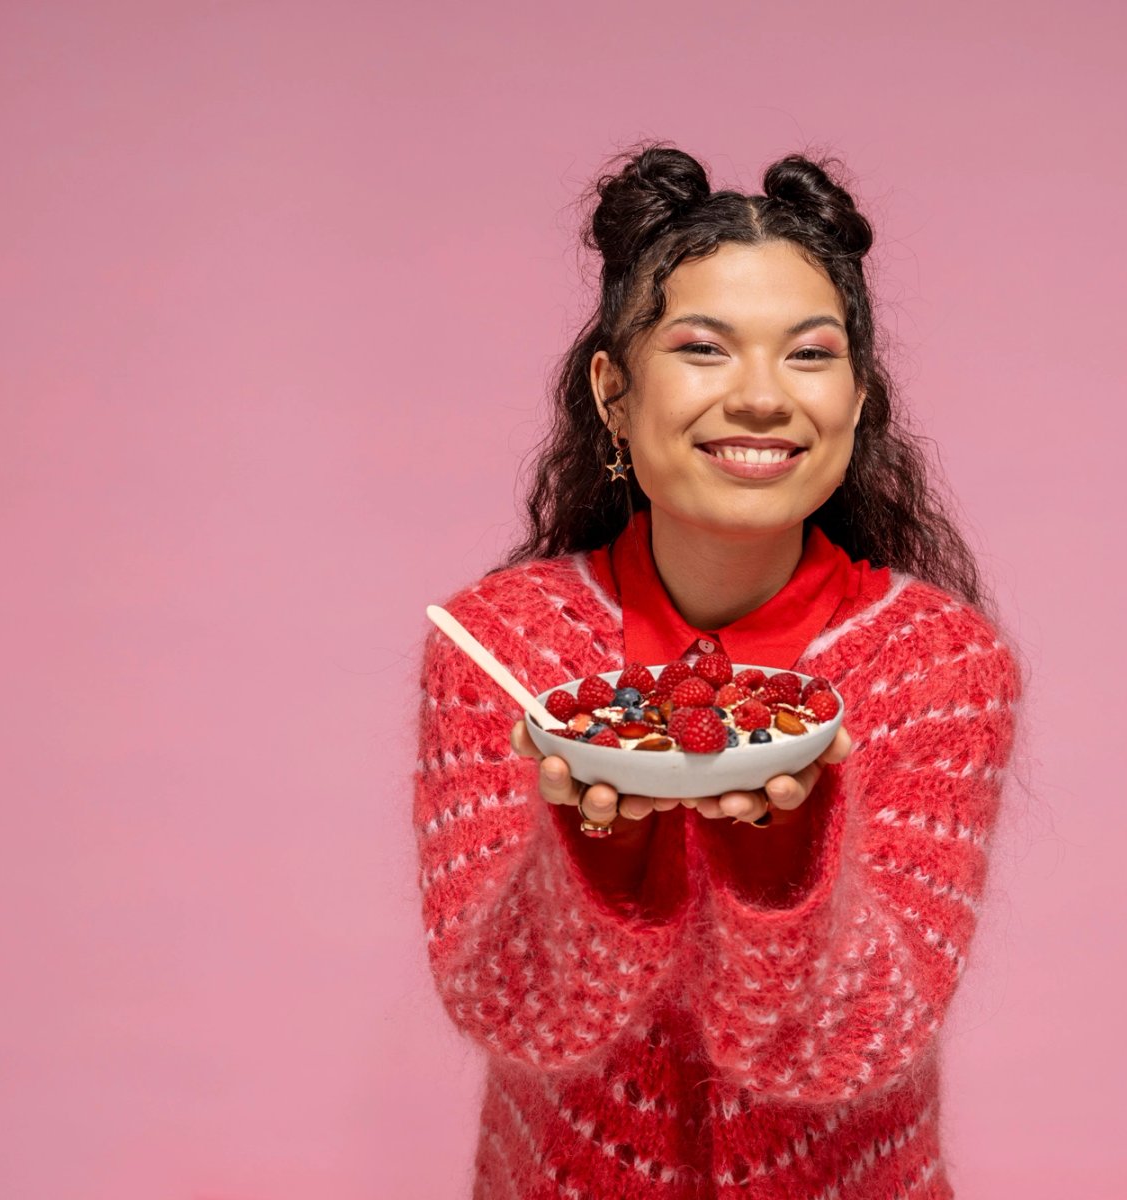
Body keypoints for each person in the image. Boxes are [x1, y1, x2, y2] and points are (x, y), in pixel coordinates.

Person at [411, 141, 1024, 1199]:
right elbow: (513, 1016)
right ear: (614, 391)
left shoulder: (939, 663)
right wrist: (599, 850)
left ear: (860, 398)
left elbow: (859, 1044)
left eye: (809, 354)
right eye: (704, 348)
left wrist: (786, 853)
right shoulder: (500, 650)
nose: (759, 398)